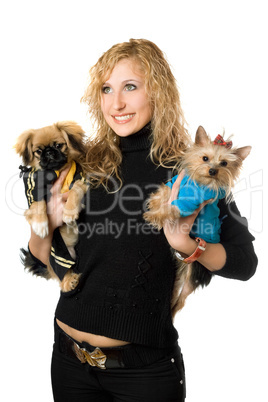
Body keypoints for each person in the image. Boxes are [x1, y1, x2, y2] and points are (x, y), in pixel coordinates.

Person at [27, 39, 257, 402]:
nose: (115, 103)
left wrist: (186, 245)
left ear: (158, 92)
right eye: (106, 89)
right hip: (68, 364)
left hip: (143, 376)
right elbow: (42, 254)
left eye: (130, 87)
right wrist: (47, 223)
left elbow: (246, 264)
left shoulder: (192, 170)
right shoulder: (84, 164)